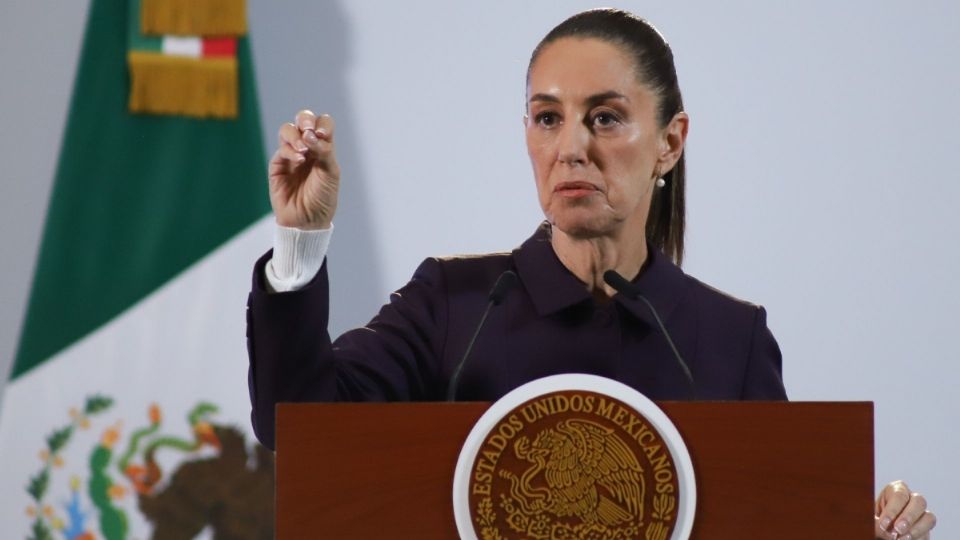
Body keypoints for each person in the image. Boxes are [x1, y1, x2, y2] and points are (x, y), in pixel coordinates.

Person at [245, 9, 936, 539]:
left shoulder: (732, 338)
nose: (571, 147)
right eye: (548, 118)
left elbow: (774, 521)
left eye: (604, 118)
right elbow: (297, 429)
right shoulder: (452, 304)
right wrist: (300, 241)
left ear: (670, 142)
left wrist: (862, 531)